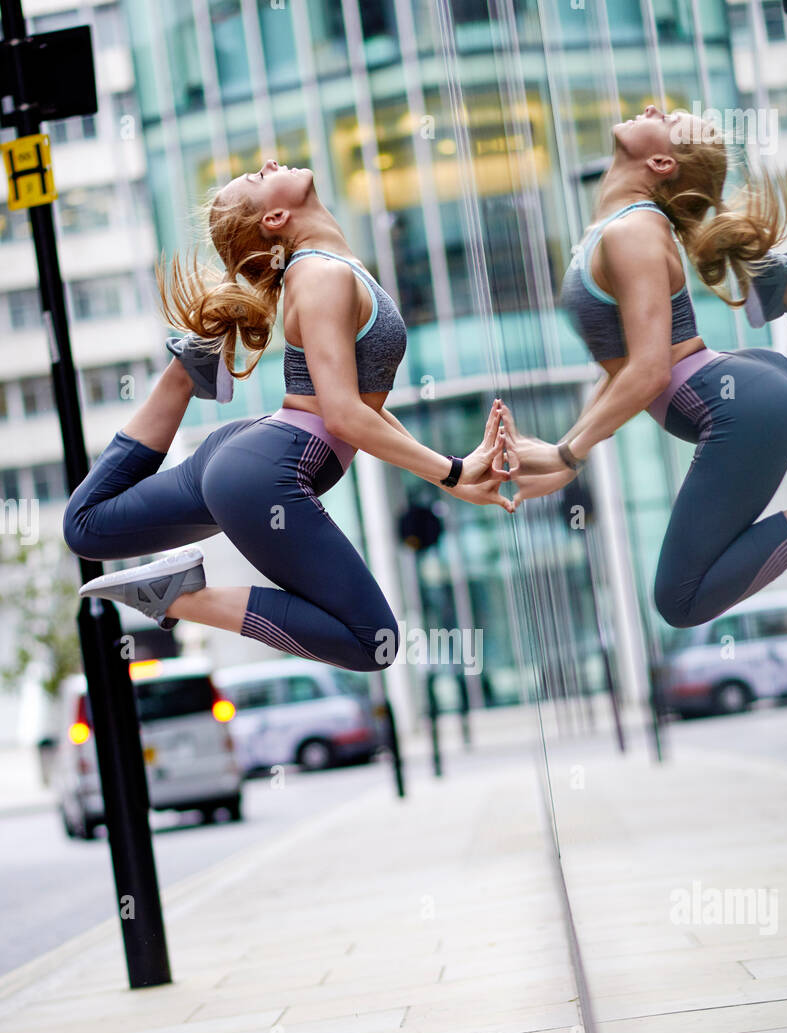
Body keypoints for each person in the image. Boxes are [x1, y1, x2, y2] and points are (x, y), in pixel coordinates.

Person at [63, 161, 517, 671]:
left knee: (87, 528)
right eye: (259, 178)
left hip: (249, 460)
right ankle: (179, 598)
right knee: (376, 642)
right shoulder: (321, 275)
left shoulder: (329, 266)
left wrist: (448, 474)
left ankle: (186, 373)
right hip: (262, 472)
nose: (269, 164)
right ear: (276, 216)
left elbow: (359, 405)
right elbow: (344, 418)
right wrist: (449, 470)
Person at [496, 106, 787, 629]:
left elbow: (648, 374)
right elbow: (627, 368)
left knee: (681, 599)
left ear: (662, 161)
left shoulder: (634, 233)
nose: (653, 108)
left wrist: (568, 452)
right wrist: (563, 450)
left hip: (745, 404)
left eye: (668, 117)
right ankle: (786, 288)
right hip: (753, 388)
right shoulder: (618, 229)